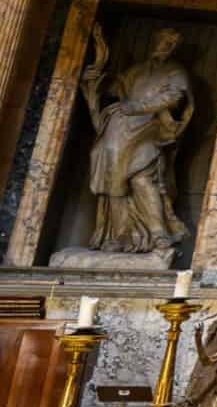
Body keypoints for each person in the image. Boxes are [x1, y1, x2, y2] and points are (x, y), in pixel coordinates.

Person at [80, 24, 195, 253]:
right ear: (154, 42)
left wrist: (137, 107)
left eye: (171, 44)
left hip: (152, 127)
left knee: (141, 176)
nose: (166, 46)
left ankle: (159, 234)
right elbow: (112, 87)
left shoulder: (175, 72)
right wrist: (91, 78)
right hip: (120, 128)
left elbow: (175, 98)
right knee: (113, 174)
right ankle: (121, 235)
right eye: (163, 41)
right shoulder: (137, 71)